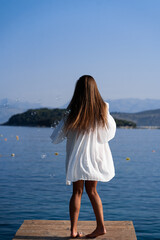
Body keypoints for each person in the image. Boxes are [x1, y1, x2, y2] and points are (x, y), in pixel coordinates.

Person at [50, 75, 116, 238]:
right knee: (92, 191)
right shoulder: (103, 110)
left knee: (77, 192)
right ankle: (100, 226)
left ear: (78, 91)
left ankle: (73, 231)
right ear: (95, 91)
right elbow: (108, 135)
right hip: (95, 156)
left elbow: (56, 138)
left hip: (78, 157)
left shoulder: (72, 113)